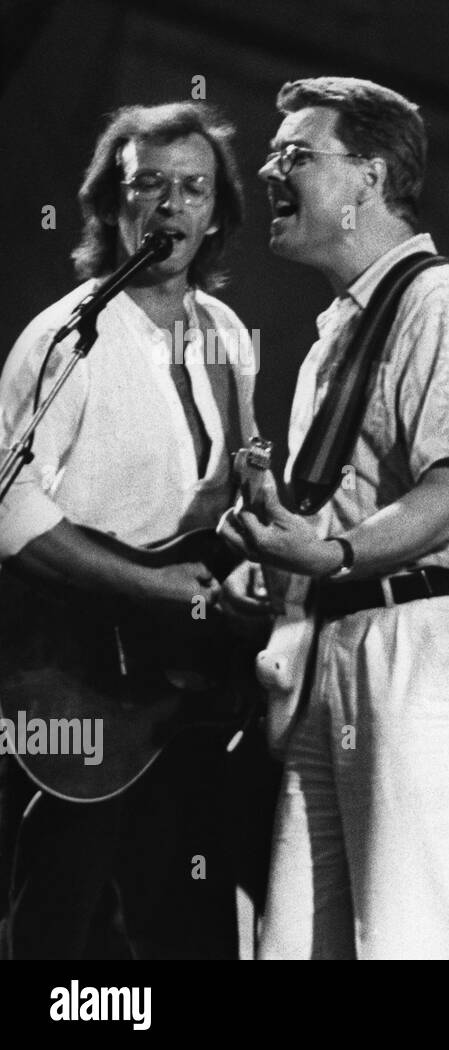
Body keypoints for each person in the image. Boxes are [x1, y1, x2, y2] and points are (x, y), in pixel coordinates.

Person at [220, 76, 449, 959]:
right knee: (297, 946)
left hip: (436, 626)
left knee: (413, 938)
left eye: (295, 154)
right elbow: (352, 508)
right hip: (350, 634)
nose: (266, 169)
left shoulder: (446, 299)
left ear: (368, 175)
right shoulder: (338, 332)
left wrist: (323, 553)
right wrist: (283, 560)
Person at [0, 101, 268, 958]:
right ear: (109, 208)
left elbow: (232, 496)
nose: (171, 206)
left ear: (217, 212)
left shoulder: (227, 334)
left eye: (193, 188)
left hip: (180, 700)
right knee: (59, 932)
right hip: (79, 679)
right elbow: (9, 510)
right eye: (146, 185)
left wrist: (261, 534)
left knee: (189, 928)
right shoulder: (65, 338)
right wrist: (155, 588)